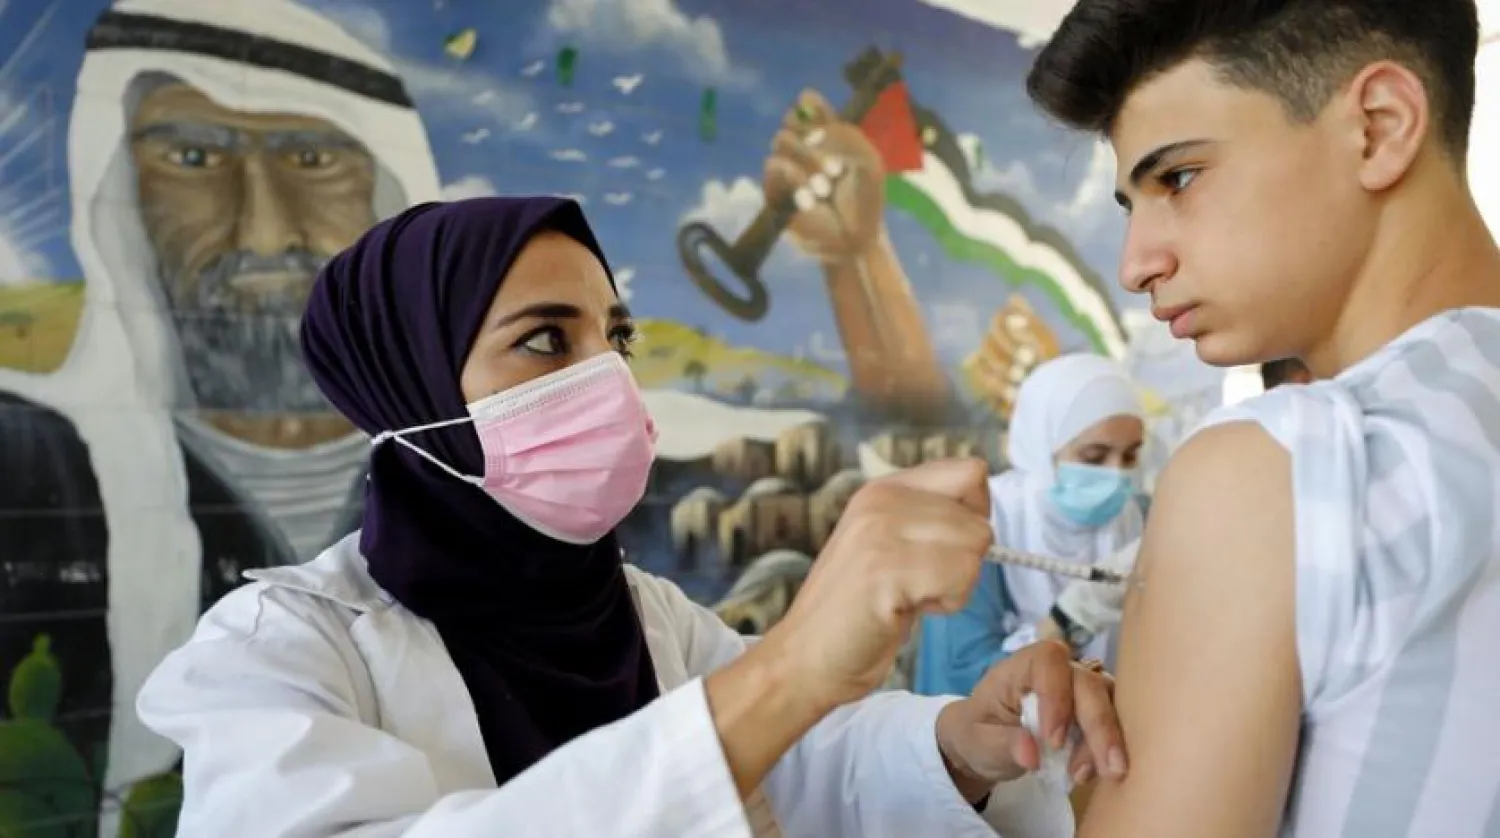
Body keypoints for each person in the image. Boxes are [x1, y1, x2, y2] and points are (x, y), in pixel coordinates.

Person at [135, 197, 1126, 836]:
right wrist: (790, 667)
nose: (607, 380)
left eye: (616, 337)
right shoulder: (280, 655)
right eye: (544, 343)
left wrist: (964, 745)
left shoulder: (646, 616)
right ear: (411, 387)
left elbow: (813, 767)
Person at [1027, 0, 1500, 835]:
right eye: (1129, 206)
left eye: (1178, 178)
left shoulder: (1272, 470)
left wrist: (1081, 782)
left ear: (1379, 127)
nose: (1137, 264)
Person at [0, 0, 442, 826]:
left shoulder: (494, 484)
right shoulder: (25, 466)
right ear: (123, 196)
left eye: (312, 158)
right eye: (193, 157)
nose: (266, 228)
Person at [914, 354, 1145, 697]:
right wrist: (1068, 623)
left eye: (1129, 456)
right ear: (1041, 446)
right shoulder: (985, 522)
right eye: (1094, 457)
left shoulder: (1129, 519)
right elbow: (961, 679)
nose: (1116, 475)